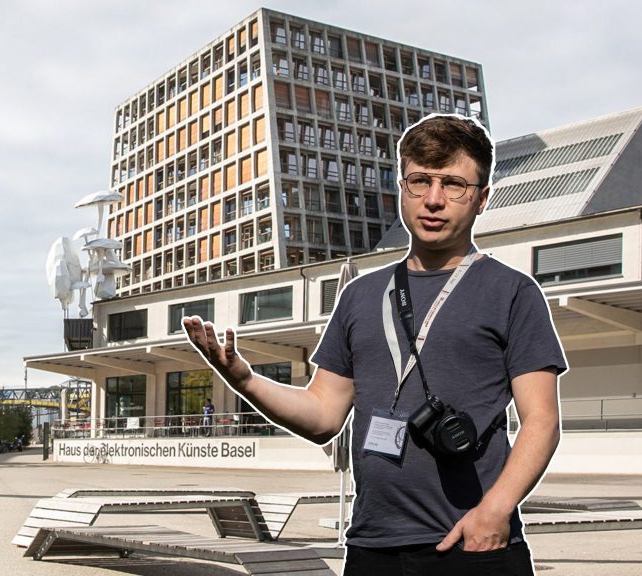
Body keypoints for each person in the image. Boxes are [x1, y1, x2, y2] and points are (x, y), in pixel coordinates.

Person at [183, 113, 565, 575]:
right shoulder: (360, 295)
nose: (434, 199)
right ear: (401, 188)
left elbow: (542, 421)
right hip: (372, 546)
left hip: (473, 542)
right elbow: (323, 416)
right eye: (419, 181)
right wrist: (243, 379)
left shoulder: (512, 292)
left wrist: (495, 511)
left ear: (482, 198)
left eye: (454, 185)